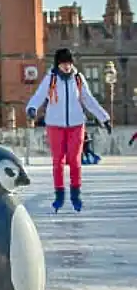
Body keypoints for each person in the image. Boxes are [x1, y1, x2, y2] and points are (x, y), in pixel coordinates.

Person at [26, 47, 110, 213]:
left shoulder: (78, 79)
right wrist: (32, 108)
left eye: (69, 63)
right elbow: (39, 95)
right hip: (55, 125)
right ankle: (59, 194)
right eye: (64, 63)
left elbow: (88, 100)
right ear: (58, 64)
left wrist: (104, 118)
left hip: (76, 124)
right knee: (58, 161)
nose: (67, 66)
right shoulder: (51, 79)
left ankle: (75, 194)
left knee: (75, 161)